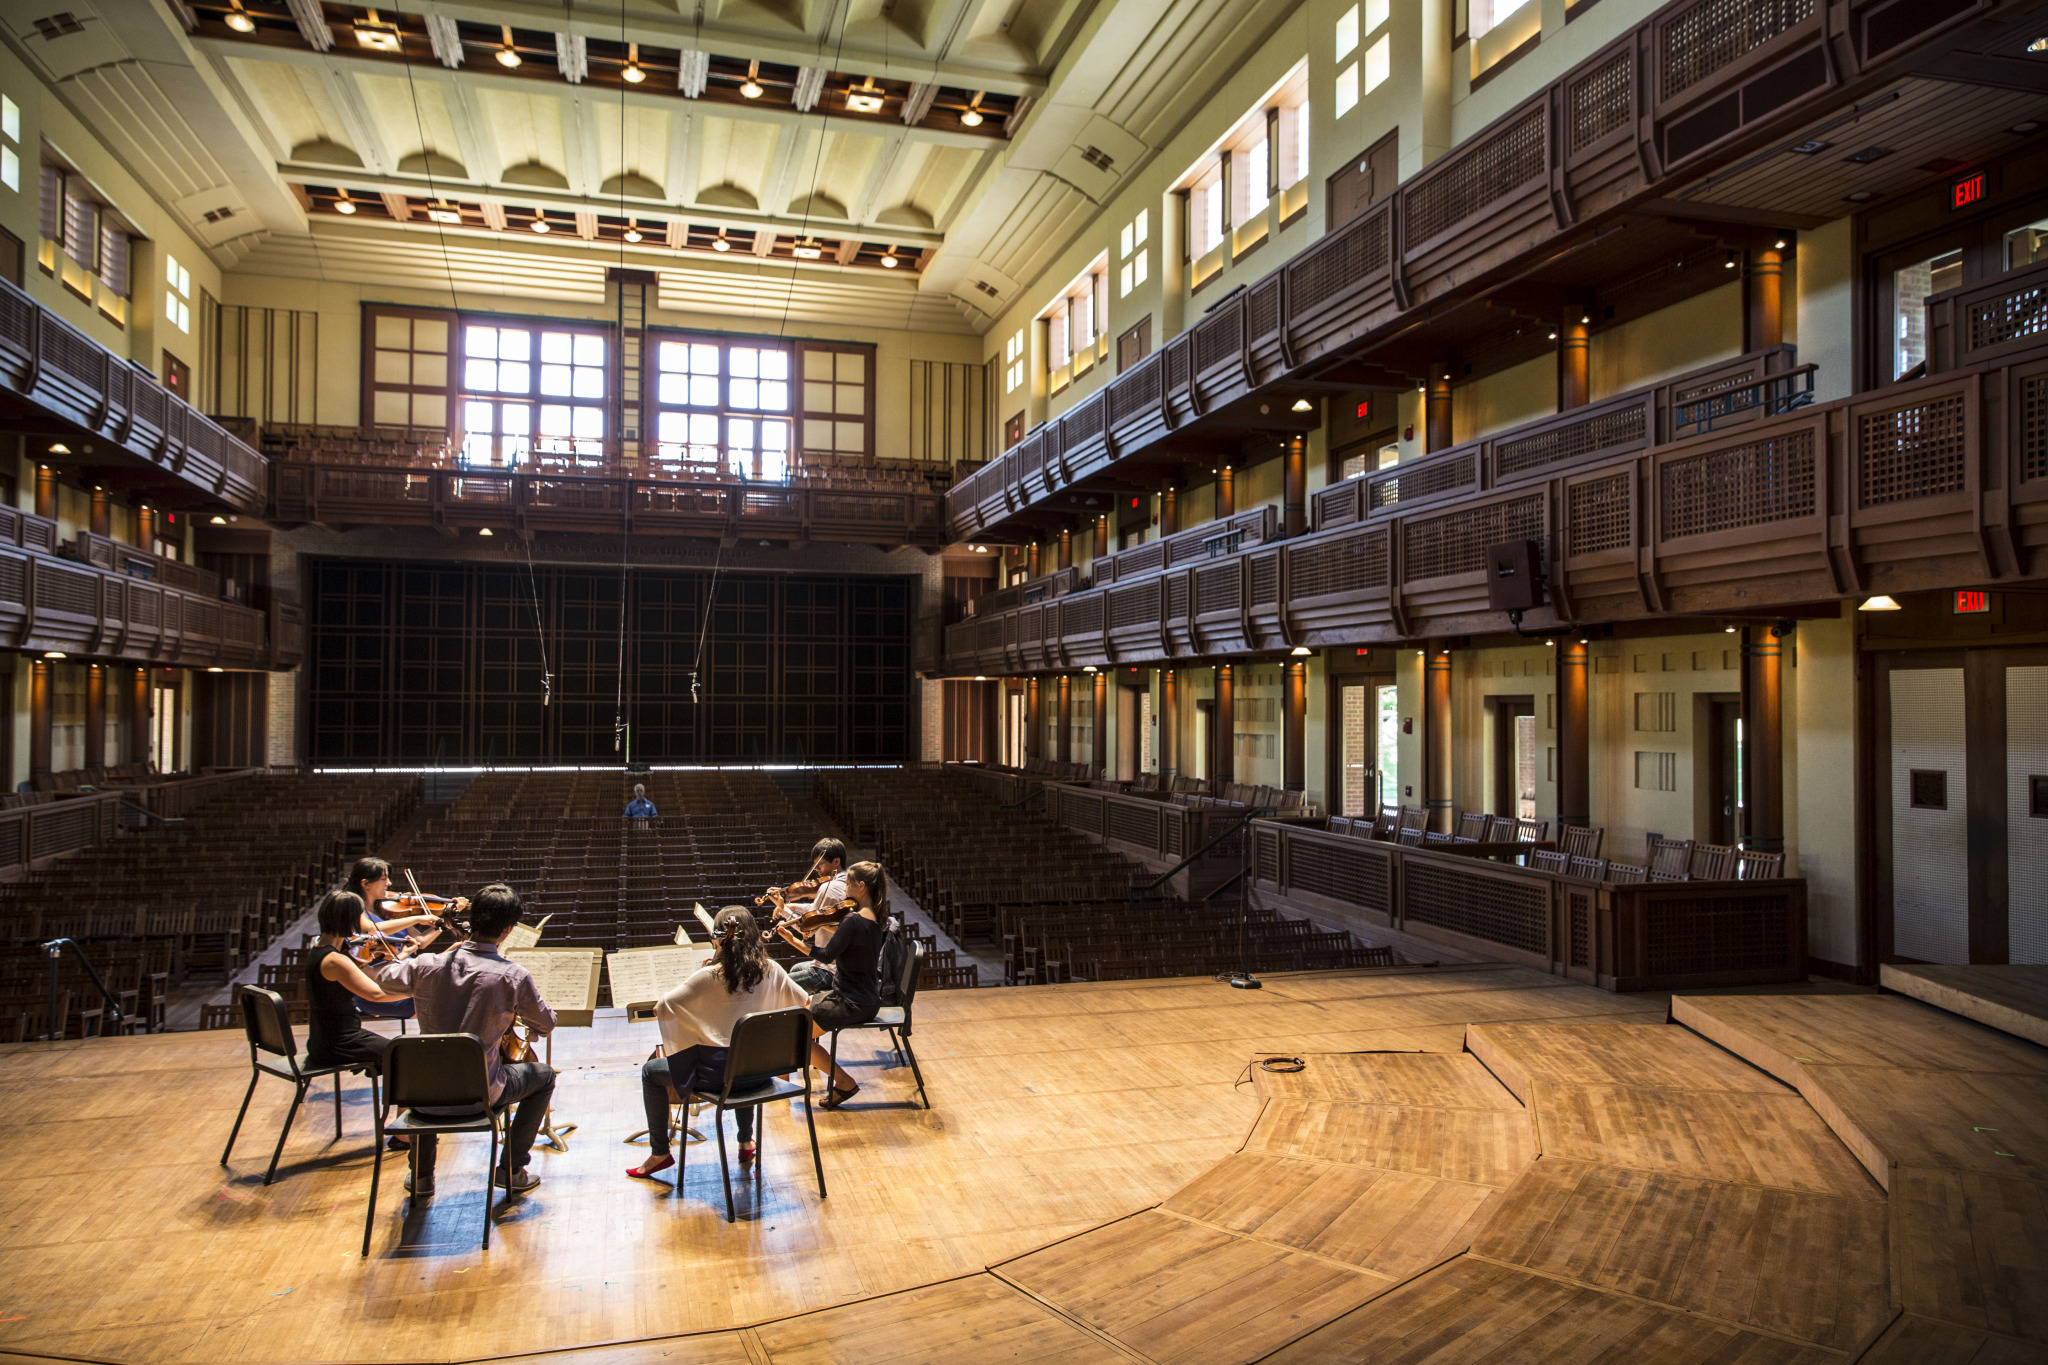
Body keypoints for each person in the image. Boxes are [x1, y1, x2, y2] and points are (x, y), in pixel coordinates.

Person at [370, 883, 557, 1197]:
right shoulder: (512, 976)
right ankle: (511, 1169)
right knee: (544, 1077)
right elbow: (545, 1023)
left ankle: (421, 1177)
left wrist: (405, 956)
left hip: (423, 1096)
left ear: (472, 920)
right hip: (480, 1094)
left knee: (432, 1067)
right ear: (508, 930)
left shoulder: (425, 965)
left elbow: (383, 979)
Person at [626, 906, 811, 1179]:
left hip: (719, 1079)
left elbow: (661, 1009)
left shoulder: (709, 976)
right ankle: (746, 1142)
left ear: (719, 938)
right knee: (745, 1055)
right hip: (761, 1074)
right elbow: (805, 1002)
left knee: (649, 1073)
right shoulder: (772, 970)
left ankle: (660, 1153)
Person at [775, 860, 887, 1108]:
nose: (844, 888)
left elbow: (826, 955)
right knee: (801, 1011)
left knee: (797, 1035)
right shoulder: (876, 918)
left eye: (848, 883)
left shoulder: (853, 921)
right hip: (867, 998)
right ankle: (826, 1079)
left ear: (861, 887)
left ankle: (844, 1082)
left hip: (851, 1001)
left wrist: (792, 939)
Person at [304, 890, 414, 1070]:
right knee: (402, 1055)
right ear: (350, 920)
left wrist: (403, 955)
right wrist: (416, 990)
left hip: (324, 1039)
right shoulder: (335, 961)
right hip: (339, 1043)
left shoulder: (320, 948)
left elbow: (369, 972)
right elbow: (376, 994)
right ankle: (401, 1097)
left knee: (398, 1052)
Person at [765, 837, 847, 992]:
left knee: (777, 985)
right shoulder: (848, 882)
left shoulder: (829, 888)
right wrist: (793, 905)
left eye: (820, 864)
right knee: (796, 968)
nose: (817, 870)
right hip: (843, 966)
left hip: (829, 970)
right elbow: (819, 909)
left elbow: (806, 929)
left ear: (836, 862)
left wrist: (784, 910)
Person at [344, 856, 446, 940]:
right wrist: (416, 919)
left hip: (405, 962)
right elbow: (369, 930)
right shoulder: (353, 907)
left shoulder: (391, 909)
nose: (389, 883)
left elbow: (421, 941)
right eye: (384, 879)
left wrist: (445, 920)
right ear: (366, 884)